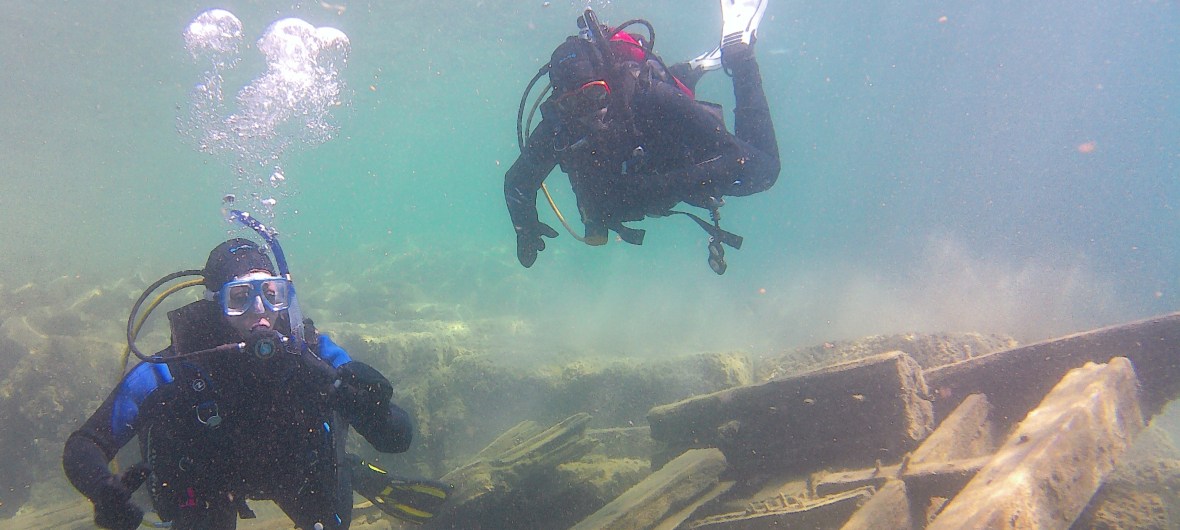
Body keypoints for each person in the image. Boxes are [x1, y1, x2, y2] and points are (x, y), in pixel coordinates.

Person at [63, 234, 448, 530]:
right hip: (209, 485)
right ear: (216, 305)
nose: (260, 311)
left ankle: (352, 469)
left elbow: (398, 439)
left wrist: (373, 410)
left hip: (296, 472)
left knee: (329, 521)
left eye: (272, 293)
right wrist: (102, 490)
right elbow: (85, 444)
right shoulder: (173, 369)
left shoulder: (314, 355)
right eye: (240, 298)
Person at [504, 0, 781, 274]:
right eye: (572, 104)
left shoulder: (647, 95)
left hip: (677, 159)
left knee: (764, 171)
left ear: (609, 84)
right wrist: (524, 226)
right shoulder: (561, 125)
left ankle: (739, 55)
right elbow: (517, 182)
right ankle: (688, 70)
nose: (587, 113)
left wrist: (664, 186)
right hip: (643, 186)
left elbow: (736, 157)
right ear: (559, 103)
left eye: (594, 94)